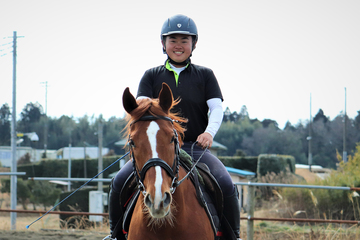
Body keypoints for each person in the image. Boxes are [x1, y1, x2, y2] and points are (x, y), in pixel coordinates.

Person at [104, 14, 241, 240]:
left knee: (225, 182)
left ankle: (232, 236)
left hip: (194, 147)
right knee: (119, 182)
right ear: (163, 43)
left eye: (184, 40)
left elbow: (216, 108)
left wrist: (209, 133)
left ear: (194, 44)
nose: (178, 45)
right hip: (157, 149)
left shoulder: (205, 75)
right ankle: (115, 235)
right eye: (173, 40)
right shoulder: (150, 75)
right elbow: (142, 108)